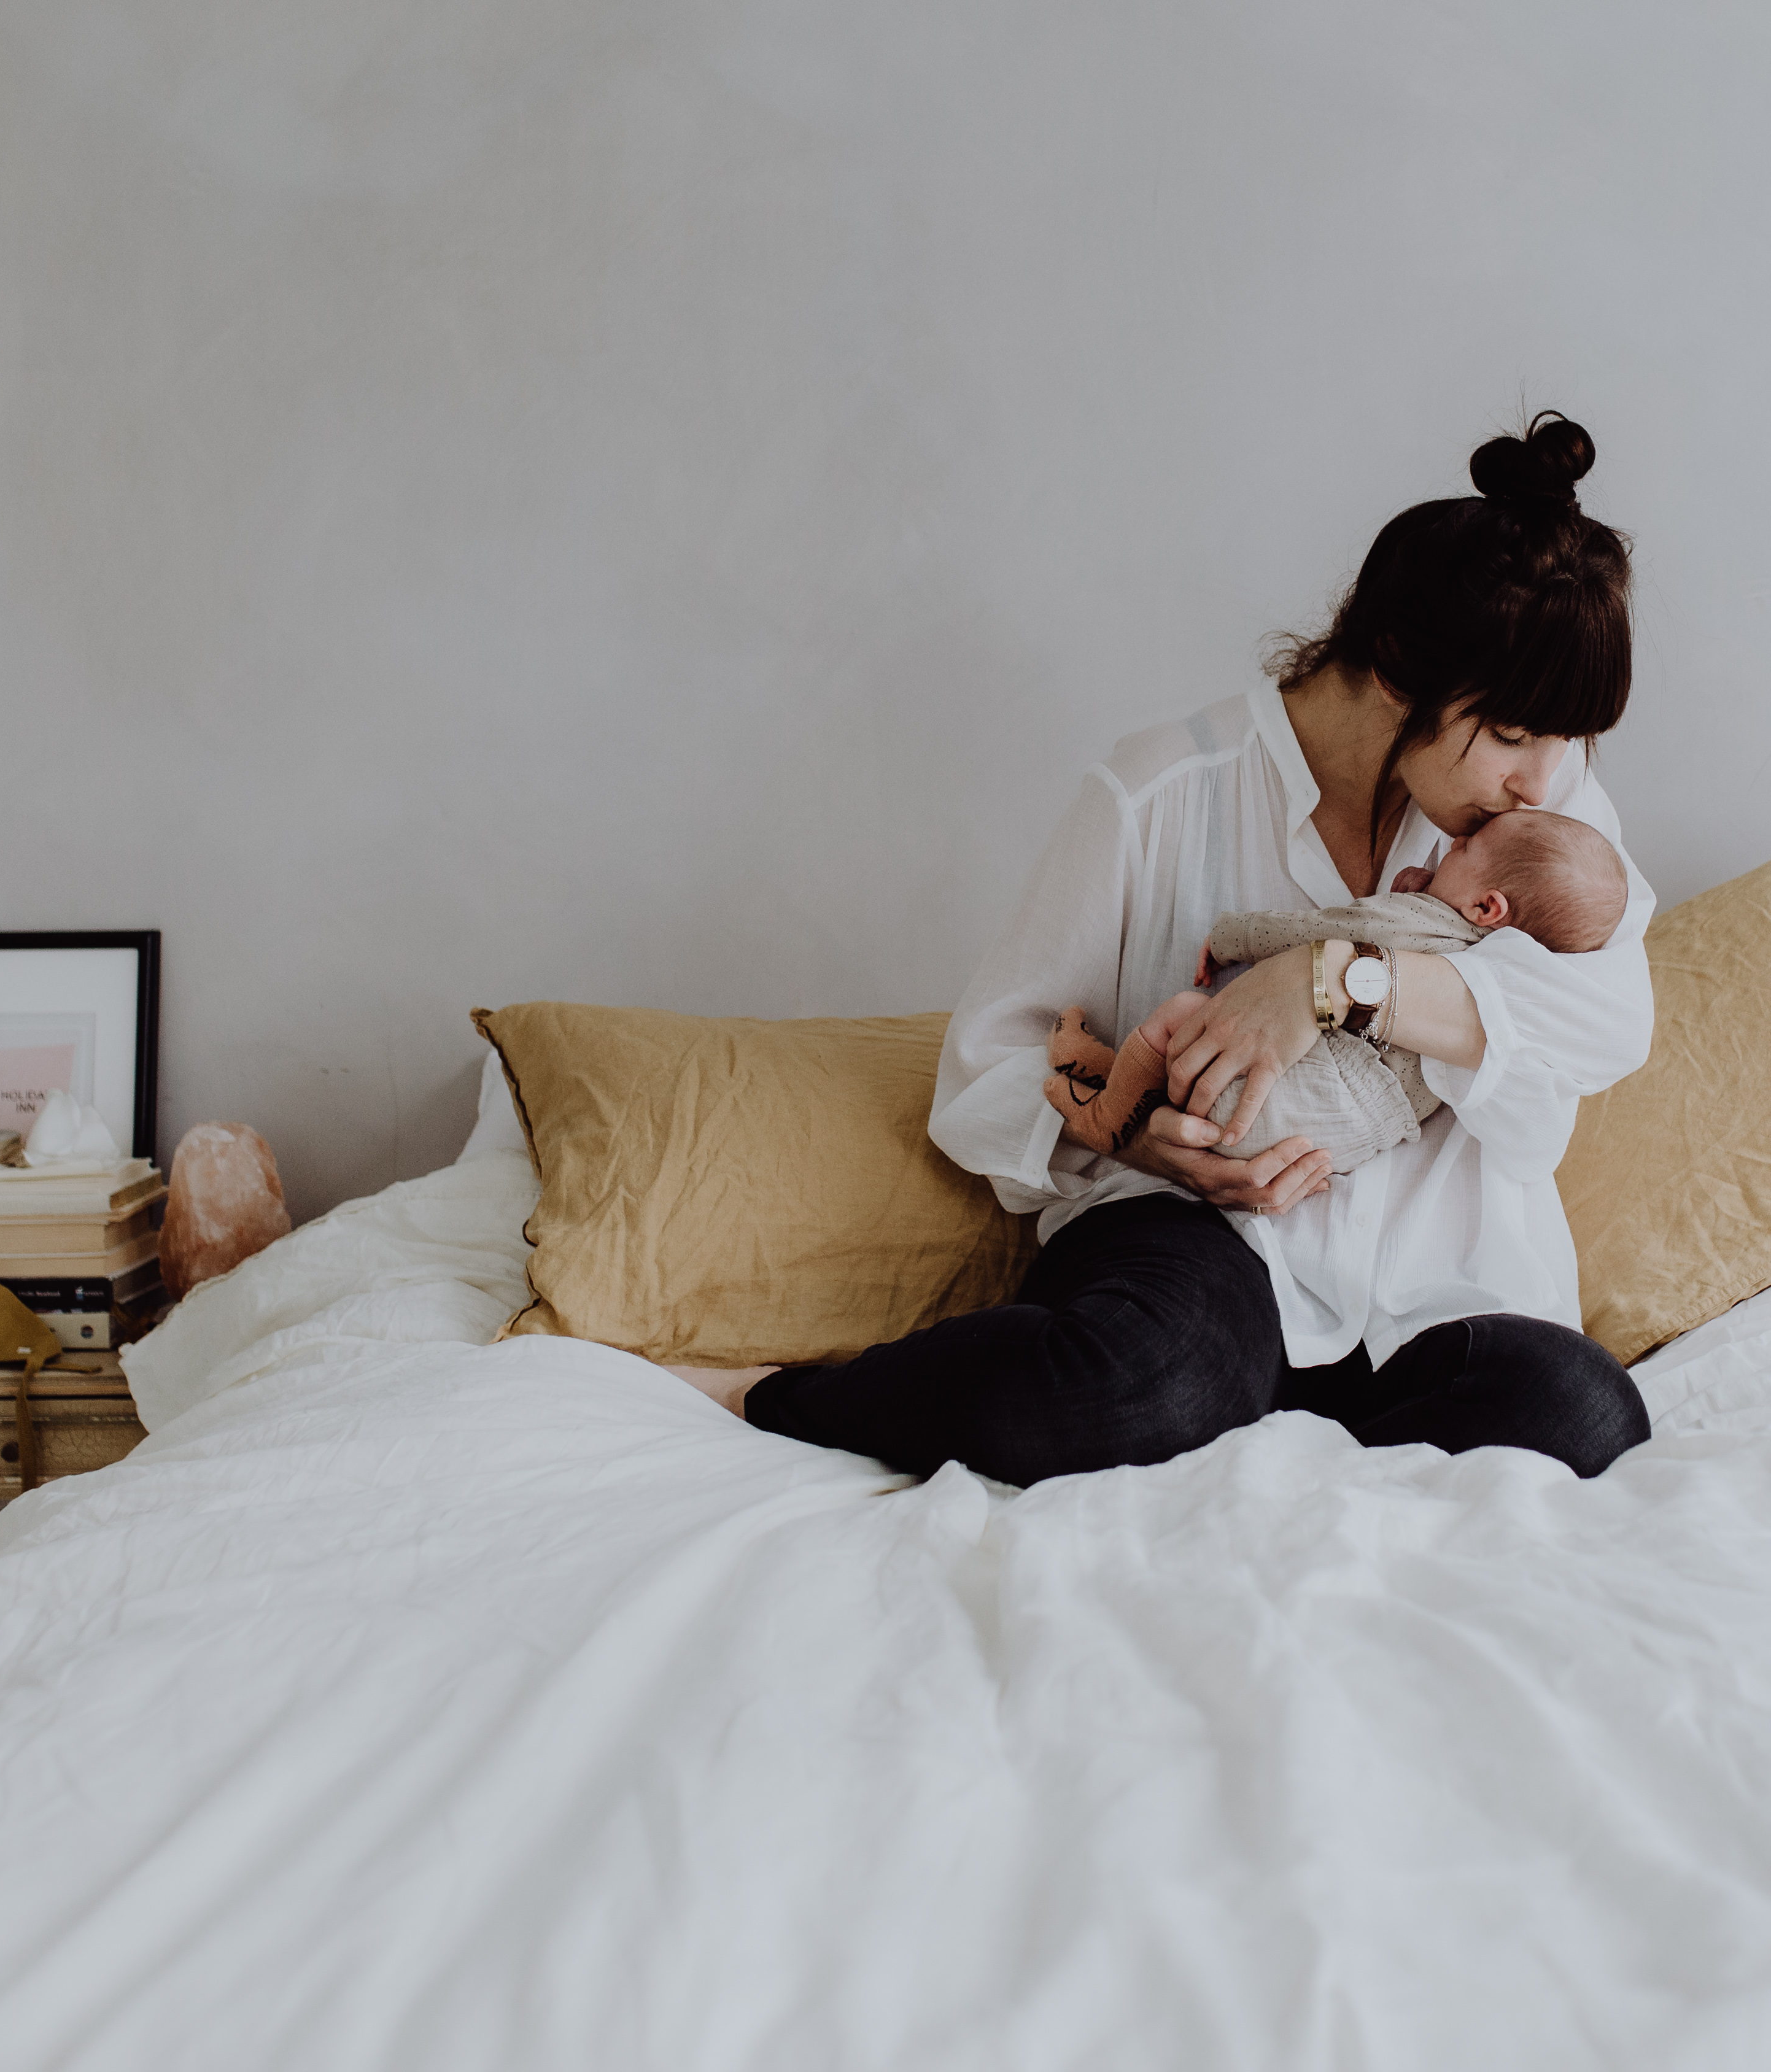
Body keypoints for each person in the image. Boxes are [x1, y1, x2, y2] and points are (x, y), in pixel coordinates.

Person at [683, 411, 1656, 1488]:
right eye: (1512, 734)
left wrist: (1337, 981)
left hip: (1439, 1281)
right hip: (1203, 1250)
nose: (1541, 778)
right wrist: (1140, 1137)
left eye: (1567, 740)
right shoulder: (1159, 792)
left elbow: (1615, 1021)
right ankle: (777, 1396)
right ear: (1394, 671)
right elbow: (985, 1073)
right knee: (1149, 1382)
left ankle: (1277, 1475)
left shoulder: (1544, 820)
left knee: (1584, 1413)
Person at [1037, 806, 1631, 1176]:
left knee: (1187, 1014)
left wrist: (1231, 937)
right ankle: (1115, 1080)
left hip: (1278, 1100)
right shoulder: (1495, 977)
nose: (1452, 845)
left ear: (1487, 906)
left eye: (1465, 849)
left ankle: (1105, 1114)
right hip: (1338, 1144)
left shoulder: (1417, 925)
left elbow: (1327, 931)